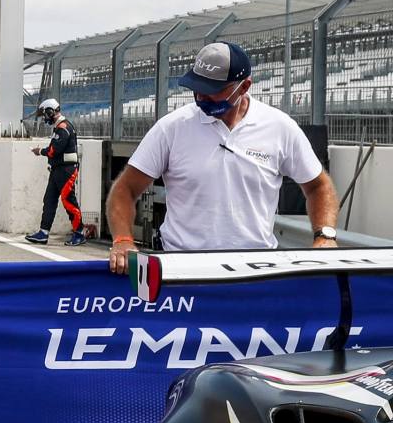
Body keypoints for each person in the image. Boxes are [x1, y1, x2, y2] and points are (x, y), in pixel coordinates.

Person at [106, 41, 338, 273]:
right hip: (181, 269)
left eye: (214, 91)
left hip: (255, 272)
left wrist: (325, 235)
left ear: (244, 86)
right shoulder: (172, 129)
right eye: (197, 88)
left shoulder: (279, 128)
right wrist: (123, 240)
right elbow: (124, 190)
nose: (202, 96)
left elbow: (319, 186)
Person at [23, 98, 87, 246]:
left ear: (51, 112)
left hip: (66, 171)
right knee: (49, 200)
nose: (45, 117)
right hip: (58, 170)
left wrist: (40, 151)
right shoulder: (60, 127)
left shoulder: (63, 127)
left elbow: (53, 151)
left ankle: (79, 233)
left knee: (68, 201)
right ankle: (43, 233)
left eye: (45, 114)